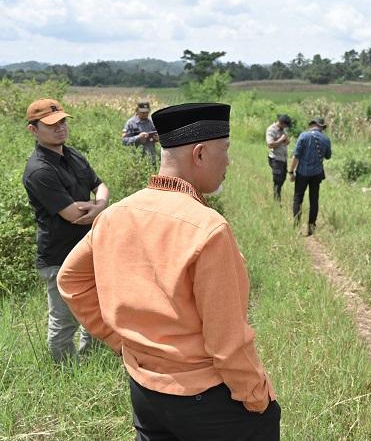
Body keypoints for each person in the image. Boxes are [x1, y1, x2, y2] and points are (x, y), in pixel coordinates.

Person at [57, 103, 280, 440]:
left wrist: (120, 341)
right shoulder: (208, 228)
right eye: (227, 150)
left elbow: (71, 280)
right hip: (207, 398)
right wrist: (255, 394)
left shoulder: (117, 214)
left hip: (144, 389)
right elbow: (226, 341)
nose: (229, 162)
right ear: (201, 154)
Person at [22, 98, 109, 363]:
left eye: (62, 122)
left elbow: (101, 185)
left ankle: (89, 362)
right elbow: (73, 215)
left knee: (96, 312)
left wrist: (99, 204)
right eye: (51, 125)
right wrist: (97, 208)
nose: (60, 128)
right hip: (59, 258)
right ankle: (64, 372)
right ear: (33, 130)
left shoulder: (72, 155)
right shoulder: (39, 170)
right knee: (64, 322)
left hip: (88, 249)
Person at [289, 117, 332, 236]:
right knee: (314, 200)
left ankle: (296, 227)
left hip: (302, 173)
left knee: (298, 199)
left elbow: (296, 156)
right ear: (321, 127)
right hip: (317, 174)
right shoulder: (326, 139)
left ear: (312, 124)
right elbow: (328, 156)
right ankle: (311, 227)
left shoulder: (303, 136)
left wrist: (291, 172)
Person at [122, 101, 159, 166]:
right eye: (142, 112)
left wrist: (158, 138)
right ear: (137, 110)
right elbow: (124, 141)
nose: (145, 114)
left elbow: (157, 135)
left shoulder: (151, 122)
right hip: (137, 161)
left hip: (152, 160)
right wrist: (138, 137)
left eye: (146, 112)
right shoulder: (130, 123)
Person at [266, 114, 292, 201]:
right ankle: (277, 200)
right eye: (286, 125)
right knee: (277, 180)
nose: (286, 127)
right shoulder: (271, 130)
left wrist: (286, 139)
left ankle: (277, 197)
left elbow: (287, 142)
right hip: (275, 159)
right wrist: (281, 139)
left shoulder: (283, 130)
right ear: (281, 123)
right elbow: (270, 145)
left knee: (283, 178)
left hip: (283, 159)